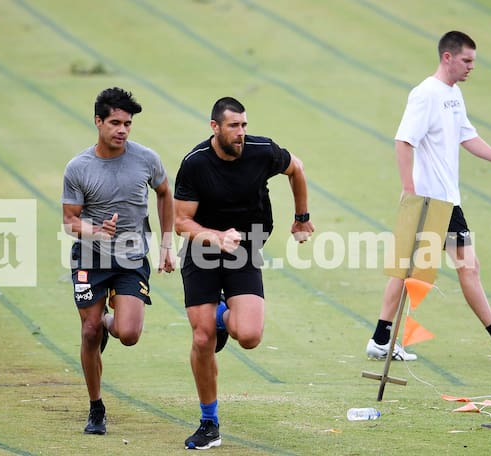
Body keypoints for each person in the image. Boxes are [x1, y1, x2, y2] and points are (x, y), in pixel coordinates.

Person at [365, 31, 491, 362]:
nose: (471, 67)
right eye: (467, 60)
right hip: (430, 201)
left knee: (417, 271)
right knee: (449, 269)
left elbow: (466, 136)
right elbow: (404, 141)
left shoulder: (453, 94)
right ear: (448, 57)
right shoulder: (425, 94)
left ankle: (380, 338)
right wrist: (410, 190)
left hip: (446, 199)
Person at [174, 97, 314, 449]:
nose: (241, 133)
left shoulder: (262, 151)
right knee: (202, 338)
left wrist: (301, 218)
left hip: (245, 246)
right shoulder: (195, 164)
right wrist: (216, 236)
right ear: (215, 128)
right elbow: (181, 222)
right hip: (202, 250)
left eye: (244, 125)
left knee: (249, 336)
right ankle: (209, 423)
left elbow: (296, 168)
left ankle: (223, 316)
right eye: (234, 126)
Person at [62, 87, 175, 435]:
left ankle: (110, 317)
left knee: (128, 334)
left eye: (127, 123)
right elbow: (70, 221)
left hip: (131, 259)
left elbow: (165, 193)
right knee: (89, 330)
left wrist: (167, 244)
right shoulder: (79, 167)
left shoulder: (146, 160)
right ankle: (96, 407)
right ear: (98, 121)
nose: (122, 130)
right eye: (114, 122)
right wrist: (95, 231)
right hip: (90, 259)